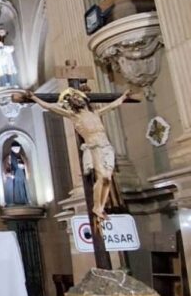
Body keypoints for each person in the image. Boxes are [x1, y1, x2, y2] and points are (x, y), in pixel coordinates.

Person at [26, 88, 132, 219]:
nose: (77, 100)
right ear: (71, 104)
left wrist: (123, 97)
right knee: (102, 176)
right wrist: (34, 98)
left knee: (107, 179)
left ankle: (100, 207)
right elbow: (50, 107)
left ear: (85, 100)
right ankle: (96, 207)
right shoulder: (74, 116)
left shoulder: (95, 113)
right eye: (74, 99)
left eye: (79, 97)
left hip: (107, 146)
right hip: (94, 146)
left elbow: (112, 106)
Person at [4, 141, 30, 205]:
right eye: (15, 148)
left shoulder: (21, 156)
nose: (17, 149)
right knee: (15, 187)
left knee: (22, 187)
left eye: (18, 148)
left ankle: (23, 200)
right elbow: (6, 166)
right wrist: (9, 174)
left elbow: (26, 164)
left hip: (21, 173)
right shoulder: (9, 157)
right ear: (12, 148)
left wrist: (23, 166)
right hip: (14, 174)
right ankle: (16, 201)